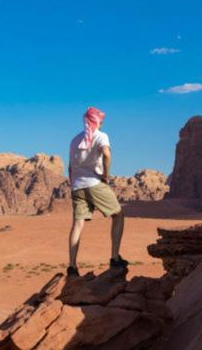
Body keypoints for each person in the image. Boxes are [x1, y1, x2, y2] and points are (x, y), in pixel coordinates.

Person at [67, 107, 128, 277]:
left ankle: (72, 267)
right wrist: (105, 176)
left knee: (77, 225)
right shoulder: (101, 136)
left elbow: (70, 167)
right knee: (118, 214)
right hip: (94, 183)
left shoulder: (74, 140)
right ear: (98, 121)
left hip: (77, 186)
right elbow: (107, 155)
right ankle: (114, 257)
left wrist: (74, 184)